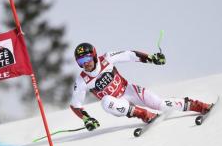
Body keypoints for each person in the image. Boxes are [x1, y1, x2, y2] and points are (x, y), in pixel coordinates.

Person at [70, 42, 212, 131]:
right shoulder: (82, 80)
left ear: (94, 56)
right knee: (106, 101)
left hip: (129, 90)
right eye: (81, 60)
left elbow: (130, 55)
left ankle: (200, 106)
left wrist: (151, 58)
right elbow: (75, 105)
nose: (86, 63)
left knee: (161, 104)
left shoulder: (107, 58)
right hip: (118, 103)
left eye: (87, 58)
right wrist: (87, 119)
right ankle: (145, 115)